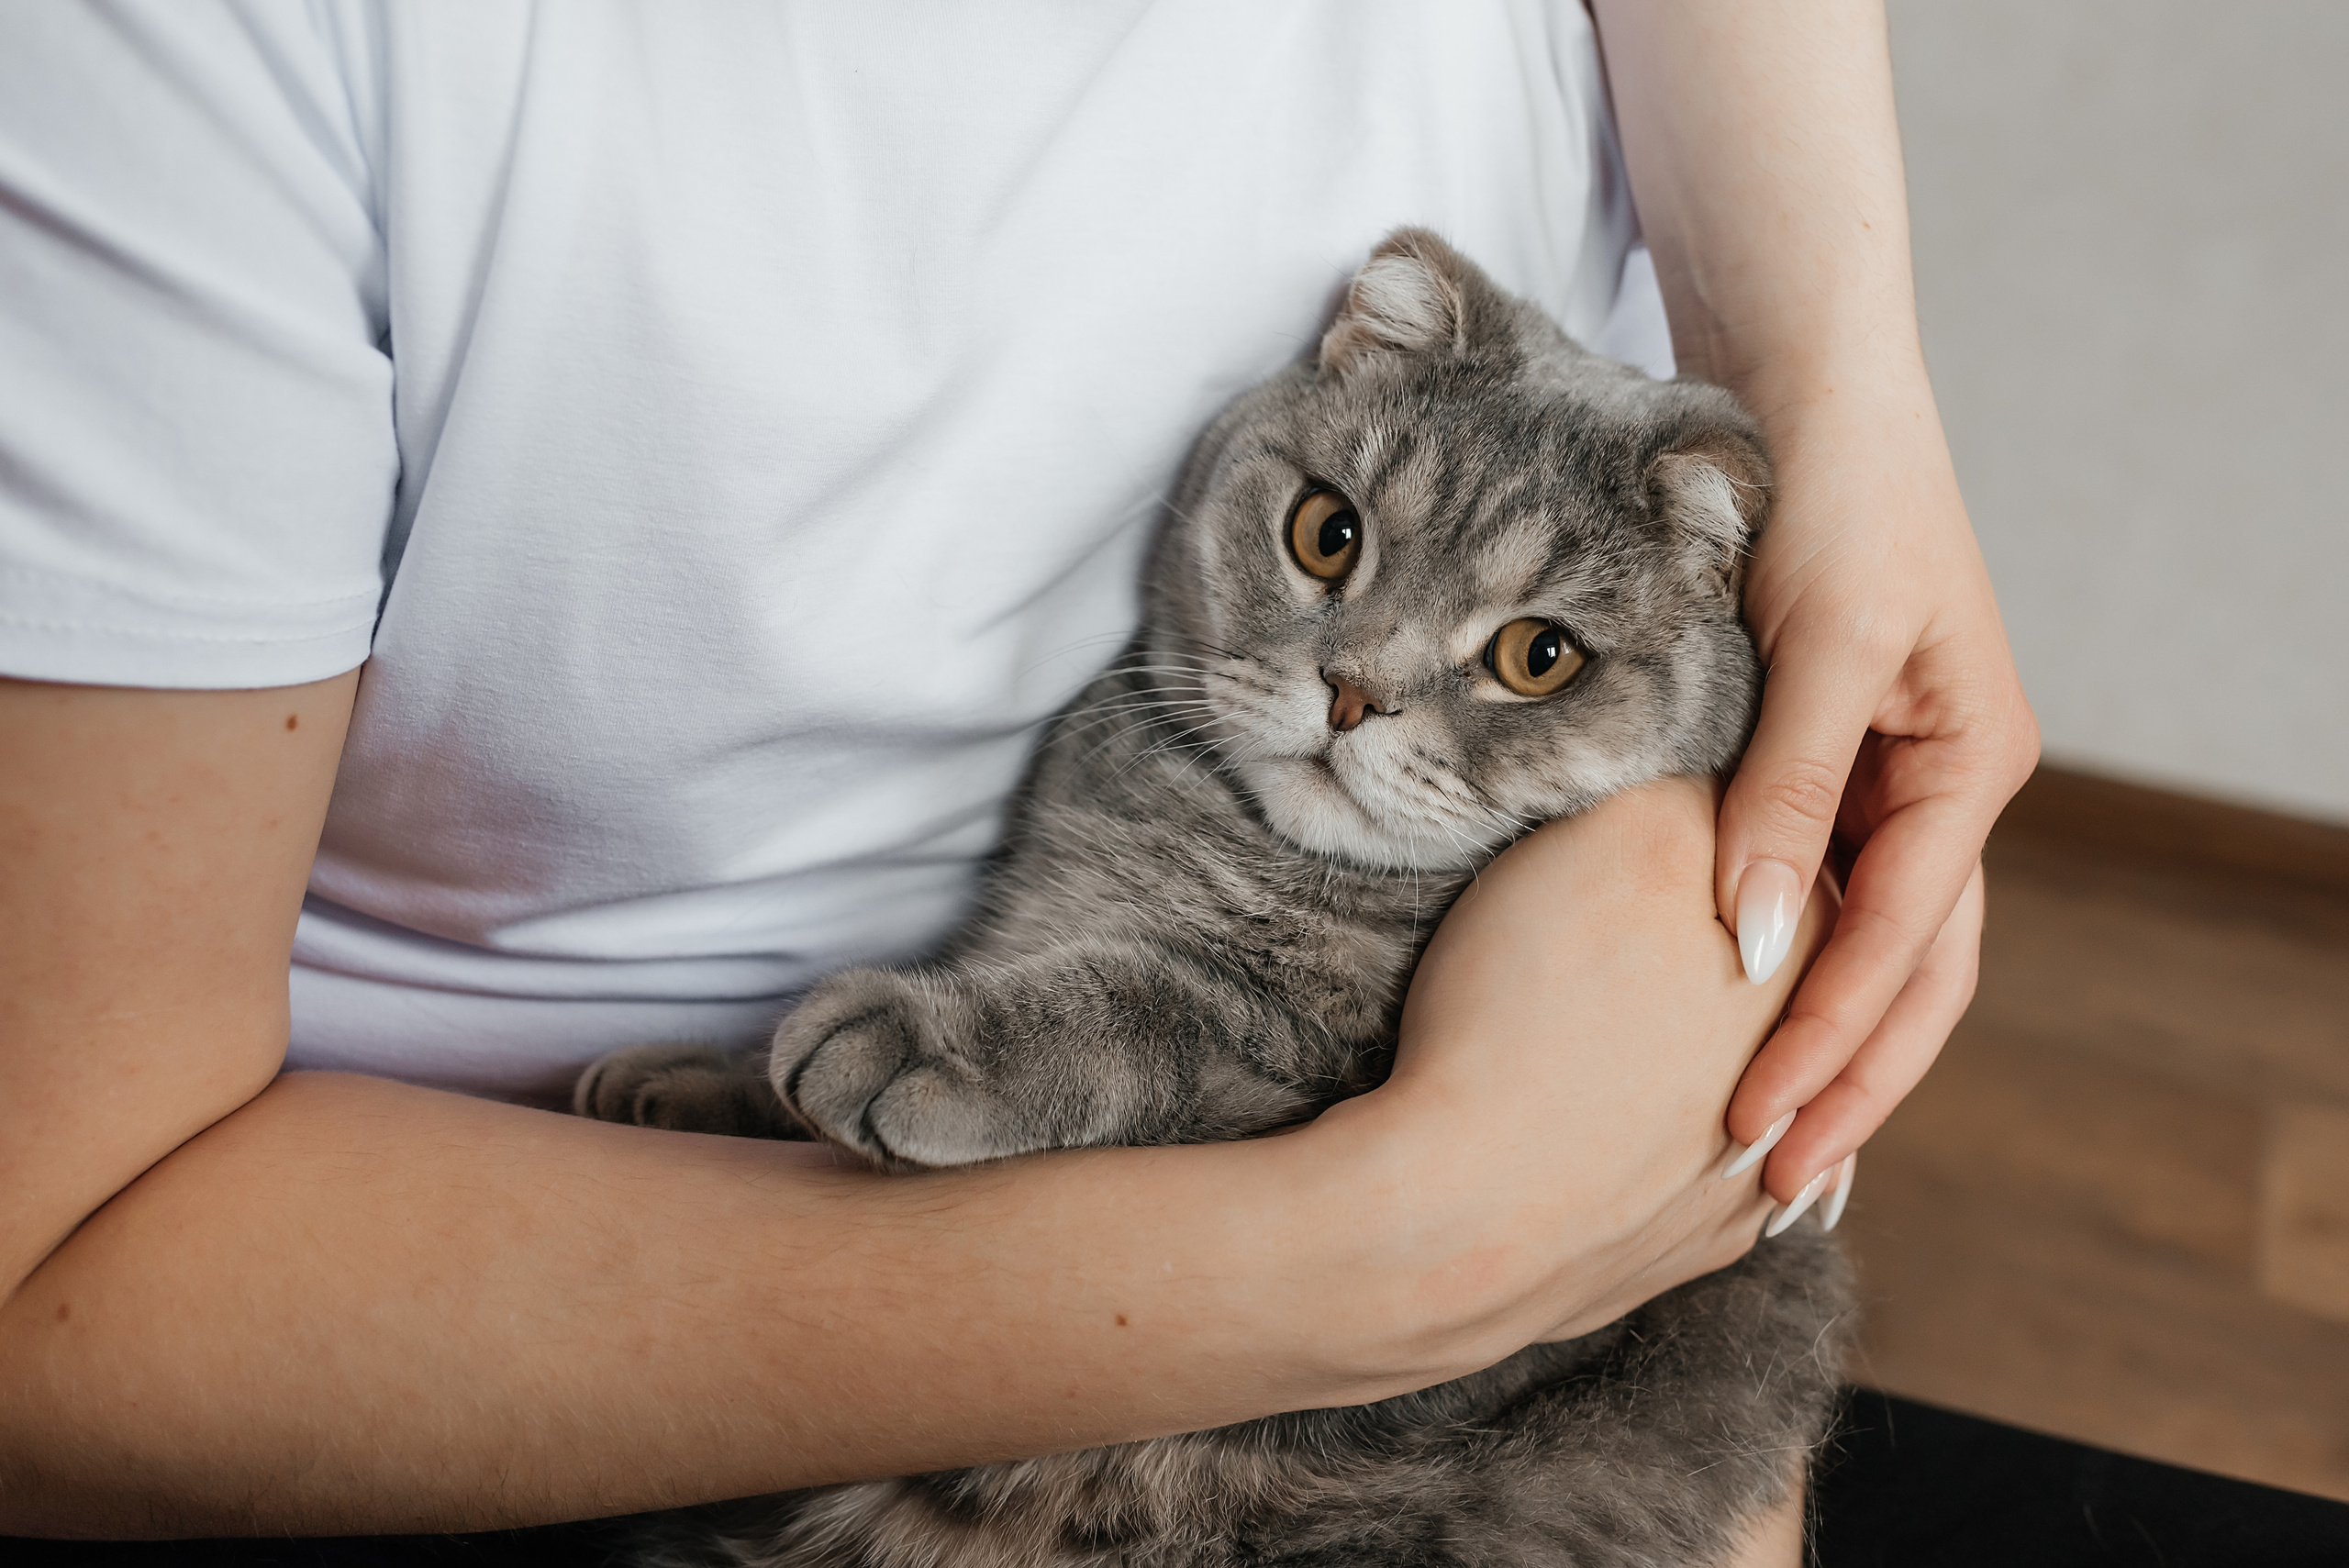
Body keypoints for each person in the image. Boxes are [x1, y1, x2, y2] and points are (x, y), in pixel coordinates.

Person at [0, 0, 2035, 1551]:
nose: (1354, 692)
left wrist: (1840, 382)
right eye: (1333, 547)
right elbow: (49, 1292)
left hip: (1539, 1347)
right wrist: (1398, 1248)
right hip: (485, 1354)